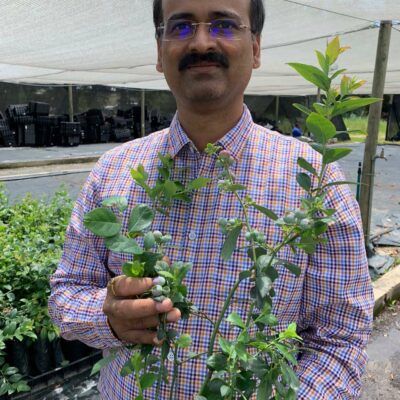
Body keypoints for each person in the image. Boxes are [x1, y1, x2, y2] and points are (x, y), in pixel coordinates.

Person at [48, 1, 374, 399]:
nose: (201, 42)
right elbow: (66, 295)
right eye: (181, 27)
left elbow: (339, 341)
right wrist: (109, 315)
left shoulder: (315, 182)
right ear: (158, 50)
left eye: (224, 24)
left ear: (255, 48)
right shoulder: (114, 172)